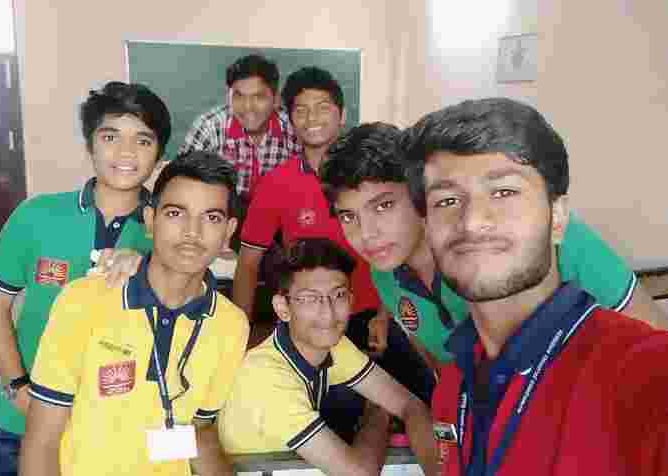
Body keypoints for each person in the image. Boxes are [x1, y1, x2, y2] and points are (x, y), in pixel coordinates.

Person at [402, 98, 668, 475]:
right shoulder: (452, 388)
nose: (472, 221)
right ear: (428, 229)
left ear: (557, 218)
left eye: (504, 192)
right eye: (446, 200)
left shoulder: (644, 372)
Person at [320, 122, 667, 368]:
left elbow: (654, 344)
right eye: (348, 216)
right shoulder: (385, 275)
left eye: (384, 206)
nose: (367, 233)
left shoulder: (548, 235)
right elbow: (444, 369)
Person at [232, 67, 435, 442]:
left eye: (322, 107)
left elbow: (396, 255)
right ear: (289, 119)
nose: (312, 118)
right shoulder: (276, 183)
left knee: (424, 400)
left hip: (377, 317)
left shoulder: (377, 177)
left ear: (342, 114)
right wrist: (240, 338)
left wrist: (384, 313)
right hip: (314, 321)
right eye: (301, 109)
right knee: (335, 420)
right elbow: (248, 263)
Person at [19, 152, 249, 476]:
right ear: (151, 220)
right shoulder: (84, 301)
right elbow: (41, 441)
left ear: (228, 231)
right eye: (176, 213)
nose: (192, 232)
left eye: (211, 218)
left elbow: (197, 430)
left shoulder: (231, 325)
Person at [0, 81, 170, 475]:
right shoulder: (36, 215)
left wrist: (149, 266)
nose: (125, 152)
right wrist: (17, 386)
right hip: (19, 425)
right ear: (90, 145)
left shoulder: (168, 233)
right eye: (110, 137)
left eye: (142, 140)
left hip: (113, 436)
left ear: (159, 154)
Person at [219, 238, 437, 476]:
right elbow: (358, 474)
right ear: (283, 308)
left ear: (351, 301)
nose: (328, 313)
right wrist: (378, 415)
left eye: (338, 295)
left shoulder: (333, 345)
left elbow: (411, 406)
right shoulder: (266, 379)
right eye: (310, 298)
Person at [178, 54, 299, 202]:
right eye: (239, 96)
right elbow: (179, 181)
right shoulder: (209, 127)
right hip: (221, 206)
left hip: (276, 207)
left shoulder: (293, 129)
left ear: (276, 100)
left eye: (258, 97)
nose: (247, 107)